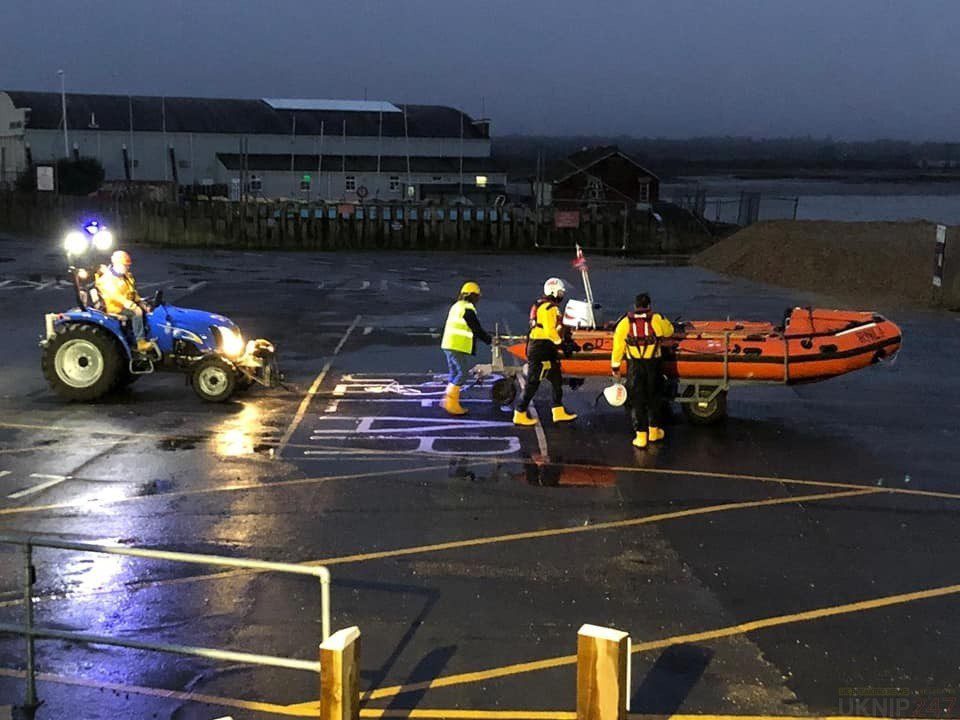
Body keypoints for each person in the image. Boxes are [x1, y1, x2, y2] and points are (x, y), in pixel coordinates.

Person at [611, 293, 674, 448]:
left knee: (637, 401)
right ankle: (654, 432)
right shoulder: (657, 319)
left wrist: (615, 366)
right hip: (654, 364)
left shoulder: (625, 323)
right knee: (654, 398)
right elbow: (669, 331)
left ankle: (641, 436)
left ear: (635, 306)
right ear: (649, 306)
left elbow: (618, 346)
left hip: (635, 366)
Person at [513, 277, 578, 426]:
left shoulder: (542, 306)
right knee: (533, 382)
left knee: (556, 379)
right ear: (553, 292)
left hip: (544, 347)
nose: (562, 295)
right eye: (560, 292)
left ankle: (558, 410)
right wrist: (562, 345)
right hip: (540, 348)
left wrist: (565, 341)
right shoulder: (550, 308)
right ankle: (519, 412)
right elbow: (550, 331)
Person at [440, 281, 492, 415]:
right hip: (457, 346)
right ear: (473, 296)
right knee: (462, 373)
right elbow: (476, 328)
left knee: (454, 374)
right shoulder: (467, 308)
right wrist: (489, 340)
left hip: (449, 344)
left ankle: (449, 400)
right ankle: (450, 403)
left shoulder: (457, 306)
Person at [95, 250, 153, 352]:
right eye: (125, 265)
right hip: (116, 308)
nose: (127, 268)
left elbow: (133, 292)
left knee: (148, 310)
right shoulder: (107, 279)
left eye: (128, 266)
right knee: (137, 312)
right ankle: (141, 342)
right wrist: (133, 306)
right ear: (116, 264)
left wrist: (141, 302)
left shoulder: (127, 277)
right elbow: (115, 296)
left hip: (126, 305)